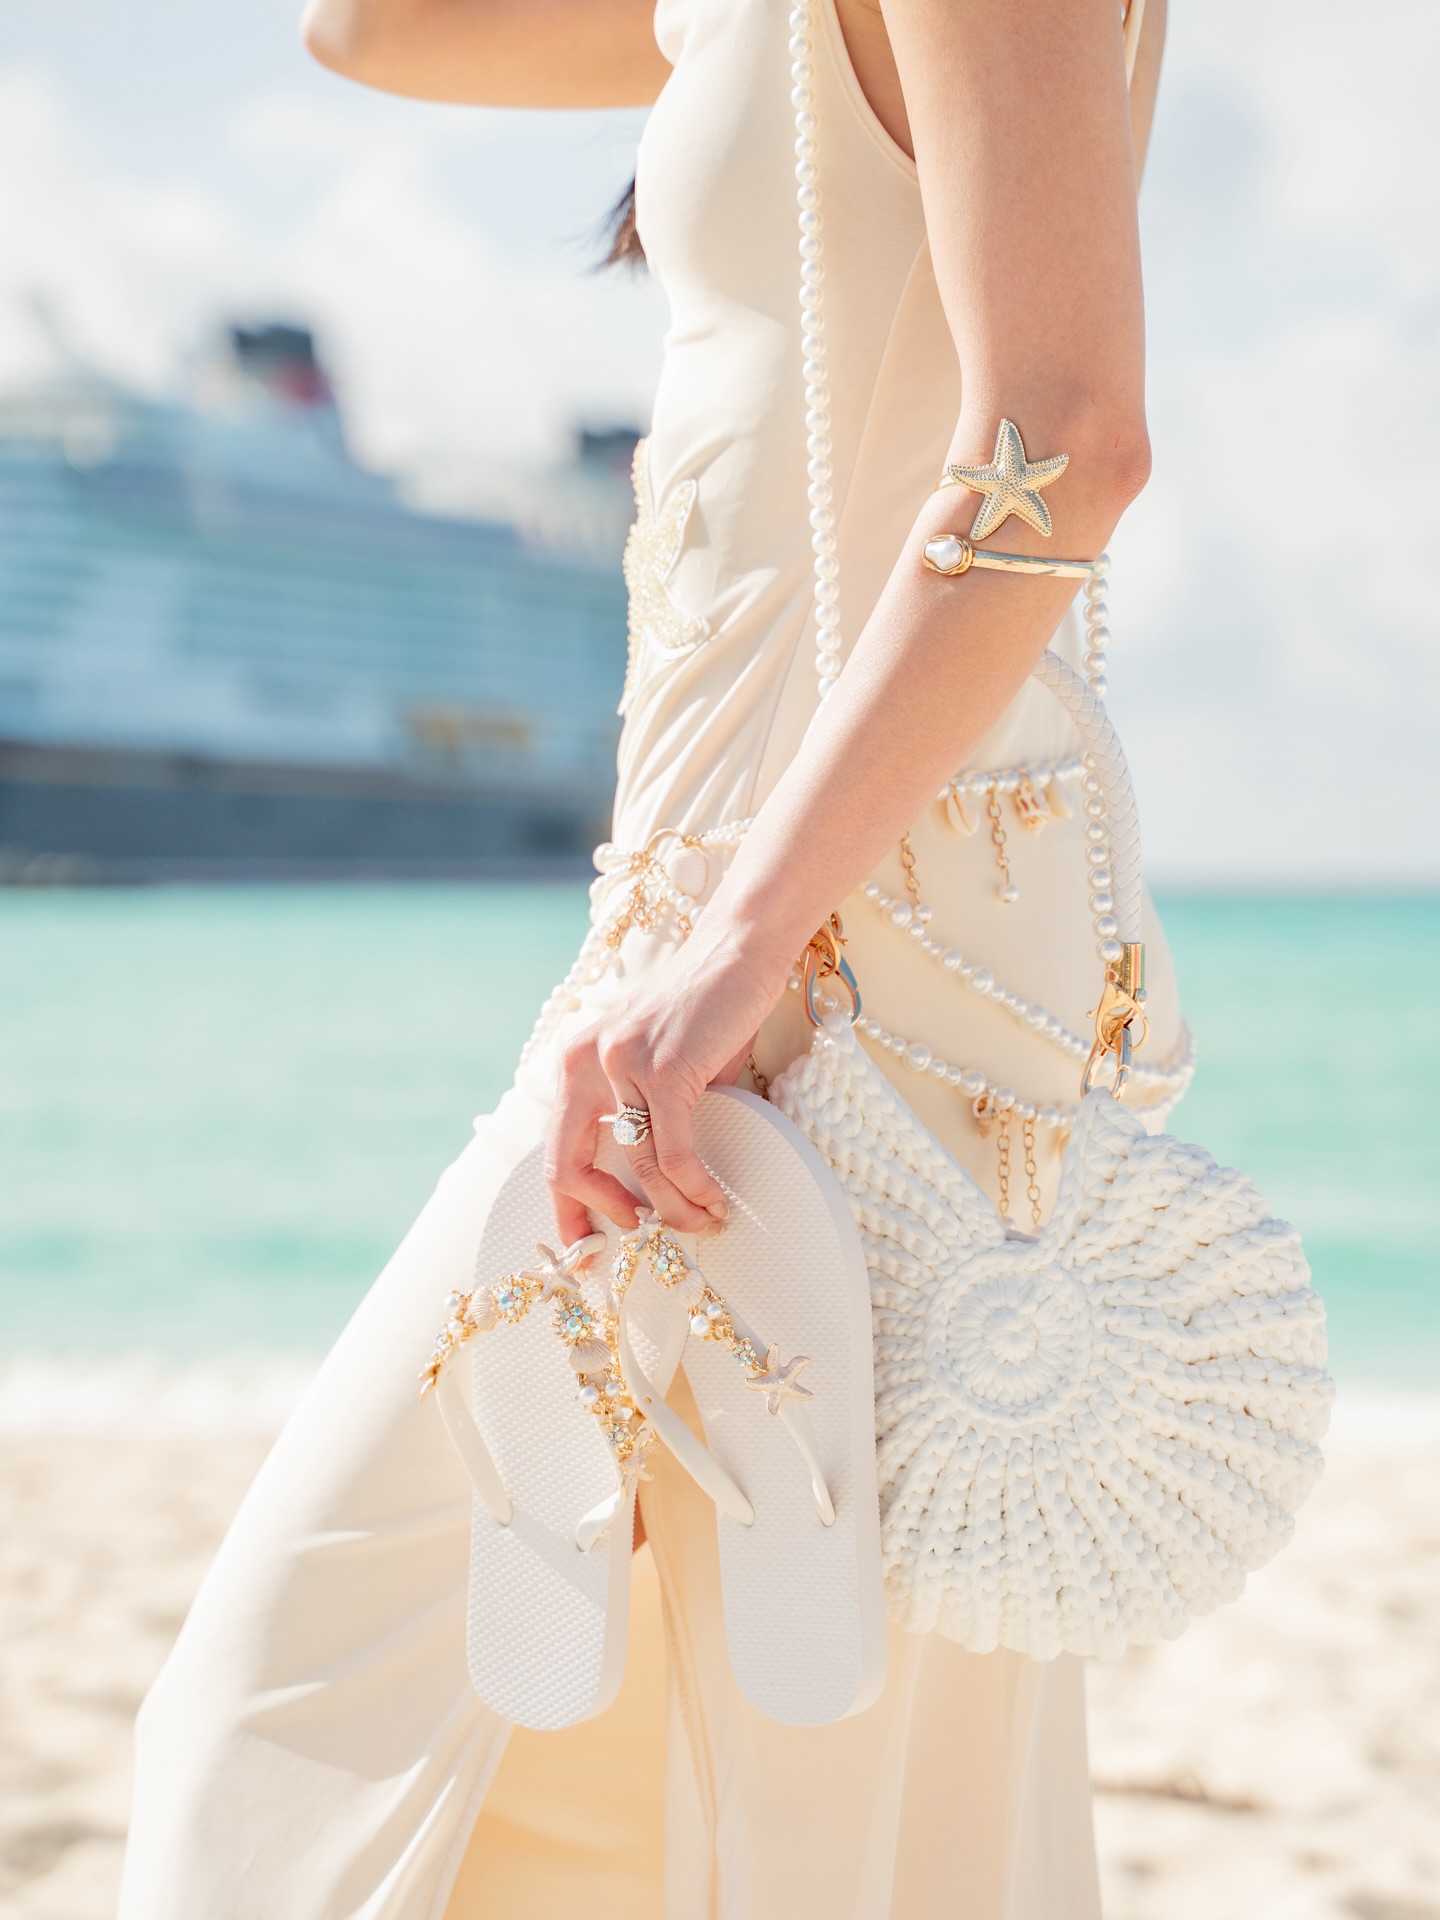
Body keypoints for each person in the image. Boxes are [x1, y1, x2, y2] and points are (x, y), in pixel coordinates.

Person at [119, 1, 1190, 1914]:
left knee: (327, 1722)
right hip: (716, 941)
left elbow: (1071, 437)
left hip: (822, 960)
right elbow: (364, 34)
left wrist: (743, 945)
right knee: (666, 1787)